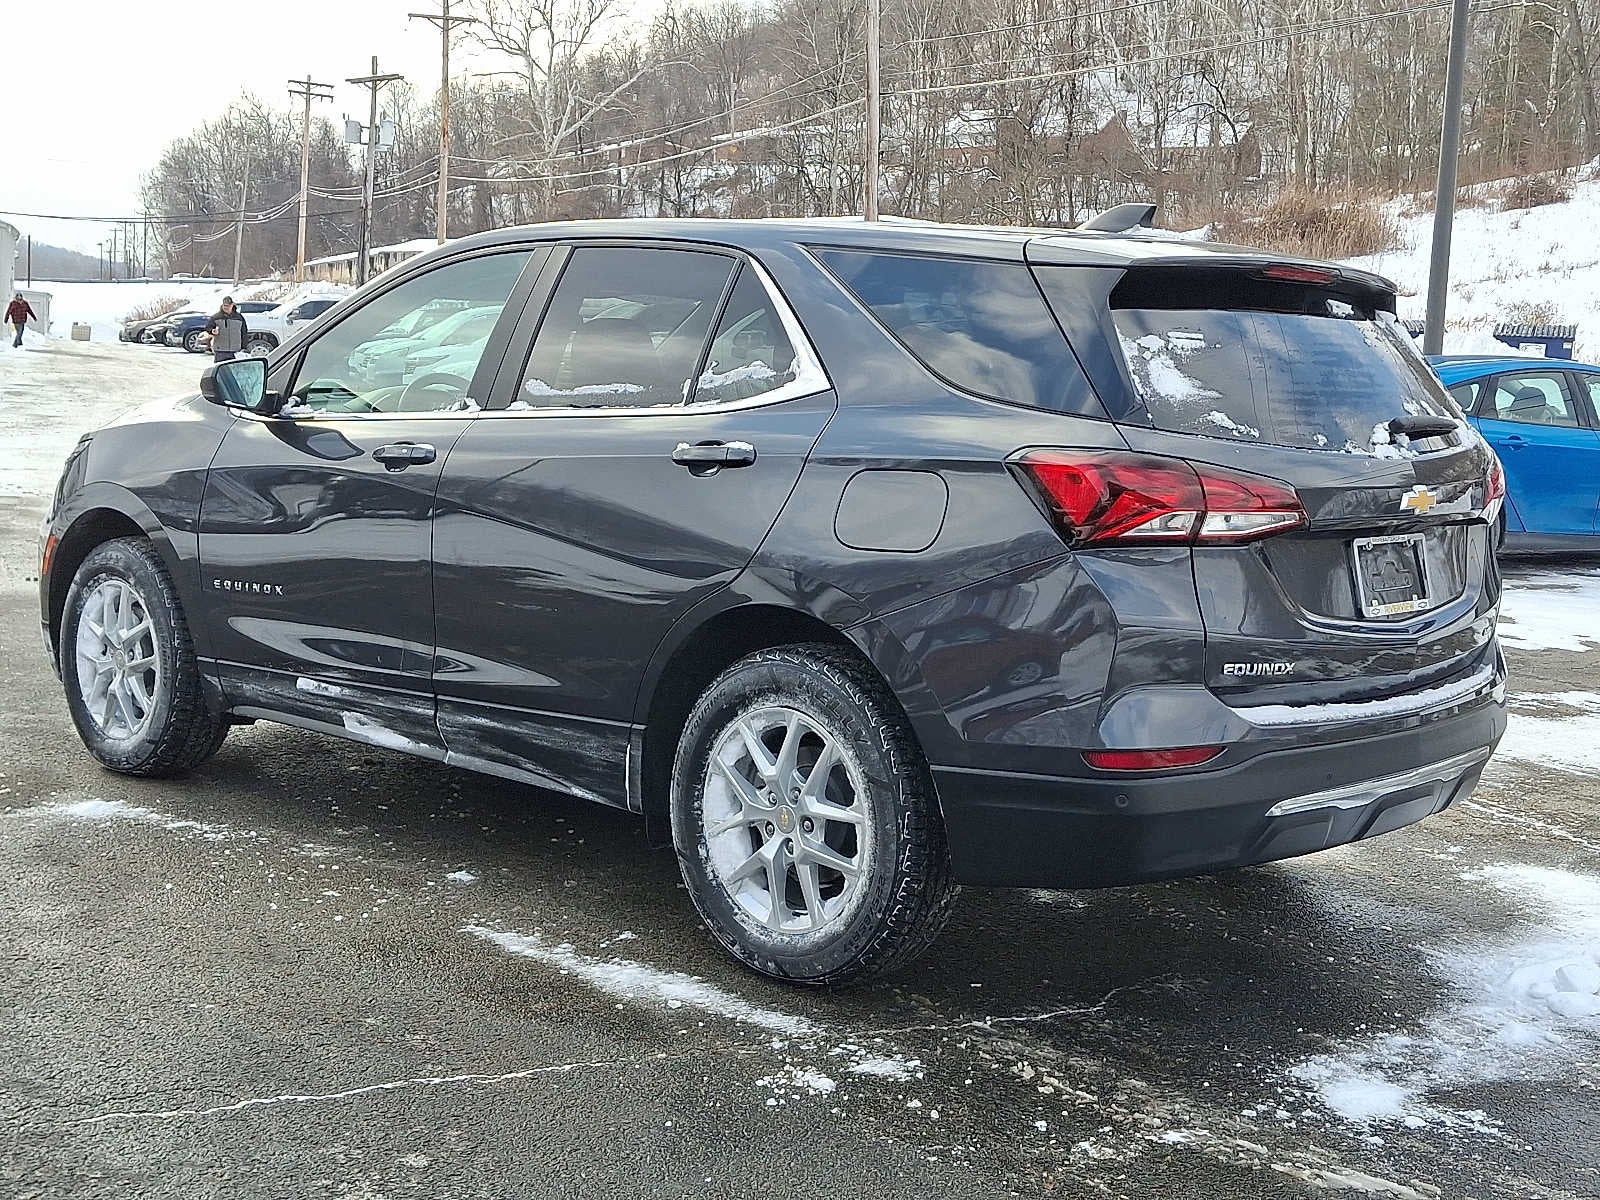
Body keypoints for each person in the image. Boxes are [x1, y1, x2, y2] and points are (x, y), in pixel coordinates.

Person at [205, 297, 248, 362]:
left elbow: (244, 333)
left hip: (236, 351)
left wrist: (244, 347)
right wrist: (212, 331)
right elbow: (208, 328)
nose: (226, 307)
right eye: (224, 305)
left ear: (232, 305)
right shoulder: (215, 317)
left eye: (228, 305)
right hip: (220, 351)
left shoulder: (239, 317)